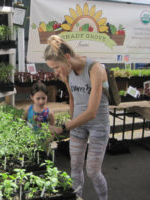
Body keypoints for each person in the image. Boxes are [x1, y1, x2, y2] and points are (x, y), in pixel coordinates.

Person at [44, 35, 109, 200]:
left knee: (93, 171)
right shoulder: (67, 74)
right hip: (78, 125)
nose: (56, 72)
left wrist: (65, 127)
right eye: (53, 69)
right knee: (75, 168)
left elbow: (92, 111)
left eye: (56, 67)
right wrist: (72, 123)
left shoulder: (95, 69)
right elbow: (72, 99)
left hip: (98, 125)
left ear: (67, 58)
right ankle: (76, 198)